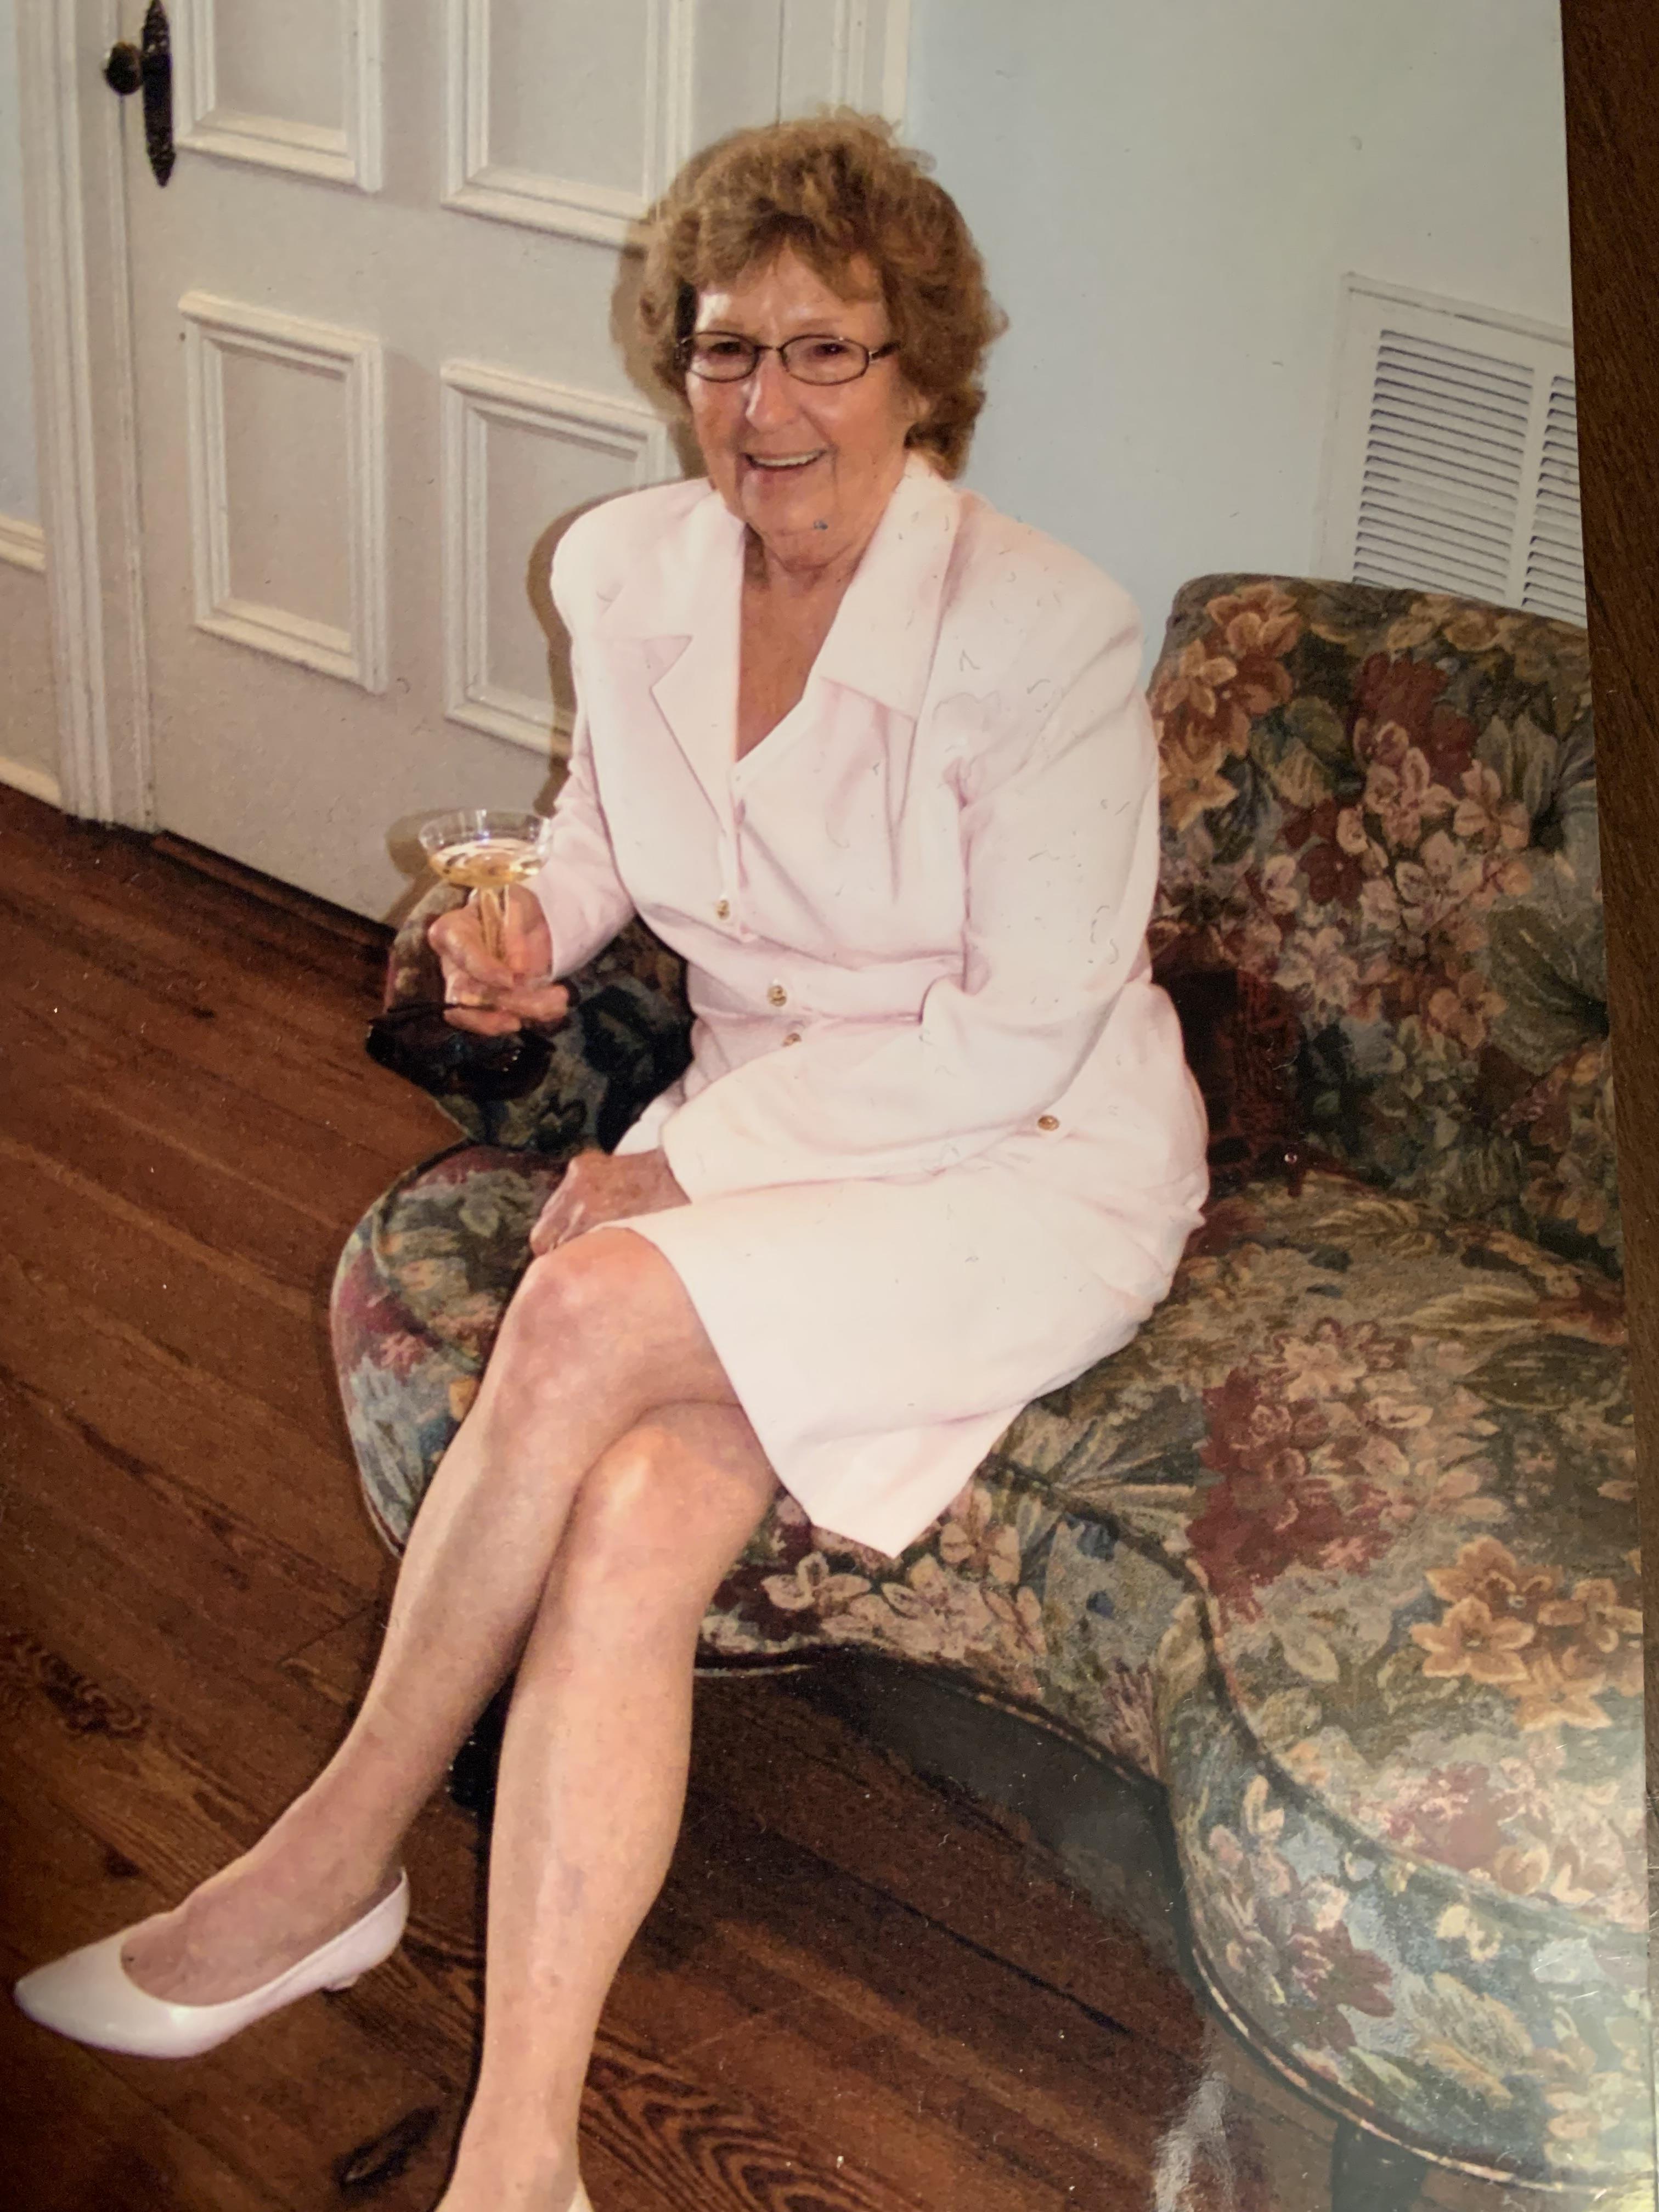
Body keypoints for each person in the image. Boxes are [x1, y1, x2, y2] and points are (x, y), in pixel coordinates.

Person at [14, 113, 1208, 2212]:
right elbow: (596, 839)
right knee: (646, 1513)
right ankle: (521, 2157)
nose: (768, 406)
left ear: (925, 375)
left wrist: (689, 1169)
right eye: (727, 348)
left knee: (574, 1306)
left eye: (828, 352)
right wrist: (518, 942)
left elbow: (1023, 1032)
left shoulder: (1046, 636)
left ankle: (327, 1862)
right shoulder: (629, 569)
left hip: (1019, 1156)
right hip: (777, 1136)